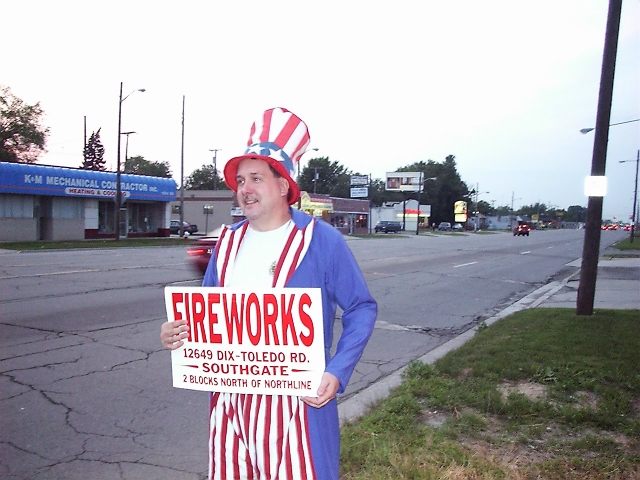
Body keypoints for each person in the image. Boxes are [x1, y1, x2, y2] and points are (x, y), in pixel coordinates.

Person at [160, 107, 377, 480]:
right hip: (231, 407)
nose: (245, 189)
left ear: (283, 185)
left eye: (256, 178)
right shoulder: (225, 243)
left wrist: (337, 371)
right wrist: (176, 332)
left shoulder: (320, 240)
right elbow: (207, 317)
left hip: (299, 408)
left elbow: (361, 308)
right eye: (241, 180)